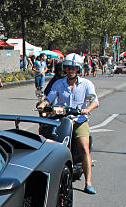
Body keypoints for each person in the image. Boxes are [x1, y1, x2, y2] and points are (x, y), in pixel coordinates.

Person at [37, 53, 99, 194]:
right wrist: (43, 103)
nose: (71, 71)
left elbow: (95, 101)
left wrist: (87, 109)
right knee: (52, 145)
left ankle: (88, 182)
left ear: (79, 70)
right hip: (61, 119)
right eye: (68, 68)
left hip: (79, 120)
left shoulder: (86, 84)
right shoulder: (59, 83)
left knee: (84, 147)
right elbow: (50, 97)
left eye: (74, 68)